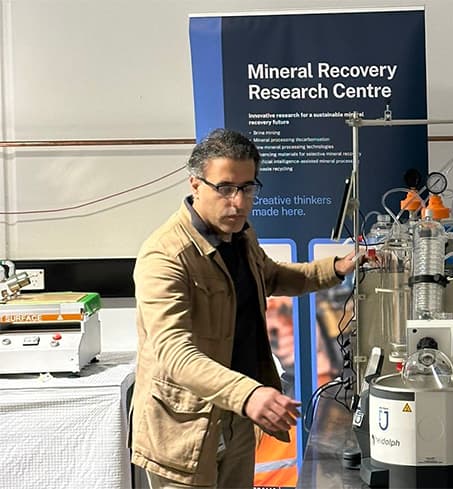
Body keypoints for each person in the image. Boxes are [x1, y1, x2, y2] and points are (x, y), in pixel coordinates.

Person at [130, 128, 358, 488]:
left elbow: (272, 276)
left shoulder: (239, 236)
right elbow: (173, 351)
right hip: (185, 428)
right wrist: (249, 394)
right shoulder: (165, 255)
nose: (238, 202)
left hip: (235, 418)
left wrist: (336, 268)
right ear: (195, 184)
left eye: (248, 188)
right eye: (225, 188)